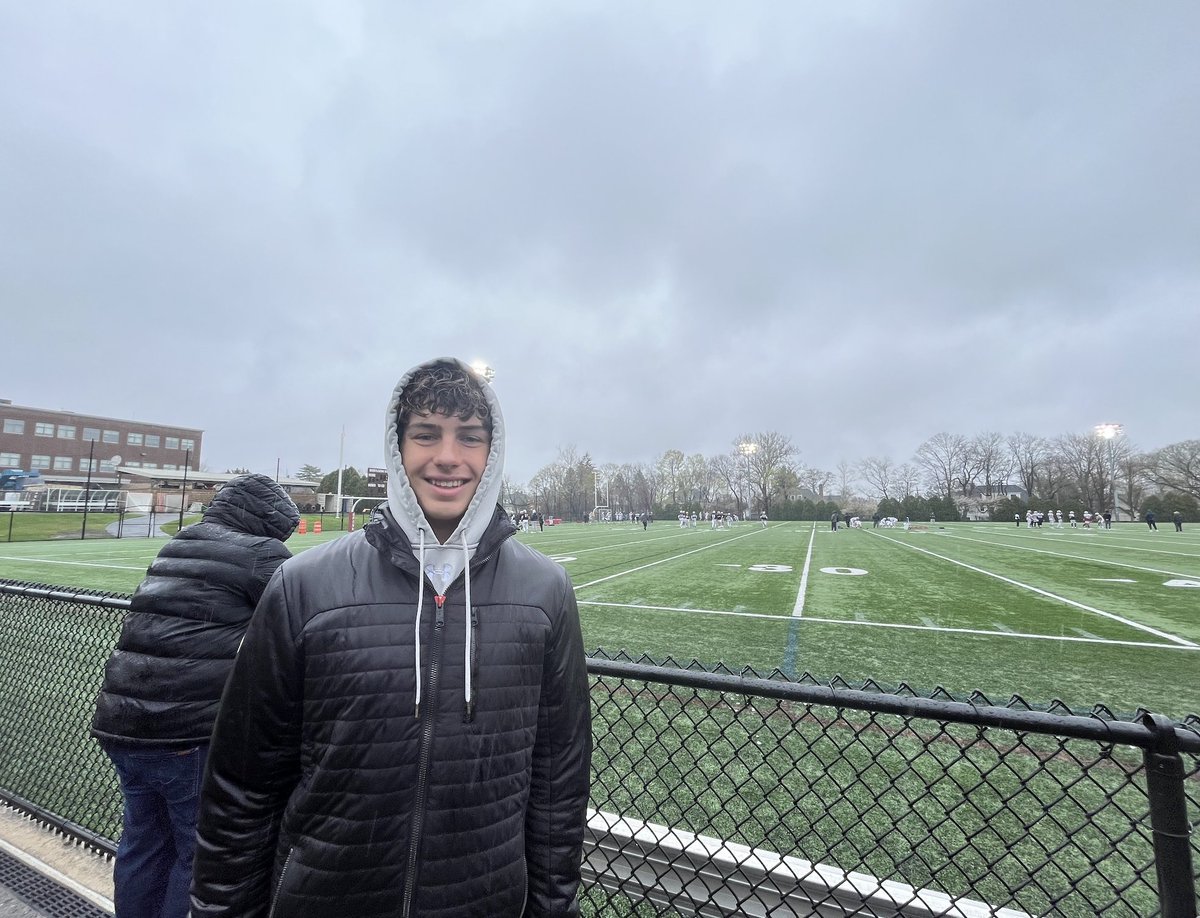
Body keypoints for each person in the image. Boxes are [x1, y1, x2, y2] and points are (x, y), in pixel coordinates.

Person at [191, 359, 592, 918]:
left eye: (469, 438)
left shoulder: (546, 591)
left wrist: (552, 908)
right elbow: (243, 783)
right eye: (426, 434)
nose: (448, 457)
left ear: (492, 453)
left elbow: (559, 784)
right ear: (398, 447)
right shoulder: (304, 584)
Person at [91, 474, 299, 918]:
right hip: (184, 731)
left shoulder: (180, 541)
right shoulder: (261, 553)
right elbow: (297, 622)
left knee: (143, 846)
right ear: (268, 521)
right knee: (197, 854)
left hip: (122, 721)